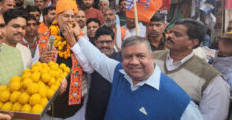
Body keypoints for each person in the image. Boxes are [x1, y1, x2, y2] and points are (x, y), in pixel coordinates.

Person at [72, 32, 203, 119]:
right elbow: (98, 60)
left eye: (140, 56)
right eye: (128, 57)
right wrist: (77, 35)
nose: (134, 62)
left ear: (152, 57)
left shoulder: (177, 99)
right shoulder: (119, 73)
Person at [154, 19, 230, 120]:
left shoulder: (211, 78)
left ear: (193, 43)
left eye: (177, 34)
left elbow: (213, 116)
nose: (170, 36)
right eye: (170, 32)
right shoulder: (151, 59)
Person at [42, 0, 92, 120]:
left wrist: (73, 43)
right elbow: (37, 65)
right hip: (51, 96)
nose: (70, 19)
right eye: (66, 16)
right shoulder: (47, 38)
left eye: (72, 16)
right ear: (58, 18)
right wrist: (41, 60)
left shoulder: (82, 38)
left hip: (74, 99)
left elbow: (89, 67)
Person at [85, 26, 122, 120]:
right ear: (96, 42)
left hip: (116, 111)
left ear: (114, 42)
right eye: (101, 42)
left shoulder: (123, 61)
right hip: (94, 111)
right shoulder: (90, 60)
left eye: (108, 42)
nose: (105, 45)